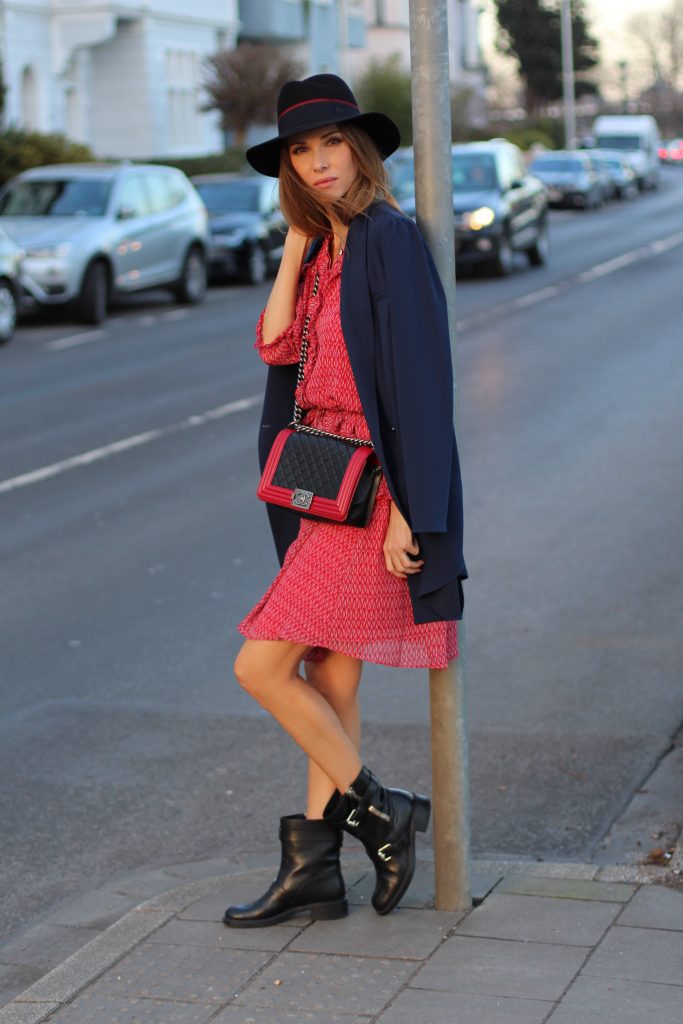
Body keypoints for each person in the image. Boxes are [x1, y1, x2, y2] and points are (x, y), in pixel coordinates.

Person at [223, 75, 466, 928]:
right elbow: (276, 343)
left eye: (331, 144)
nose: (318, 161)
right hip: (320, 486)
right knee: (327, 671)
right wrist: (295, 247)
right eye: (300, 150)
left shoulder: (390, 240)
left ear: (358, 148)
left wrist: (412, 509)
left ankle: (378, 811)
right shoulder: (327, 247)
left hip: (371, 493)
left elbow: (423, 383)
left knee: (259, 664)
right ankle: (314, 873)